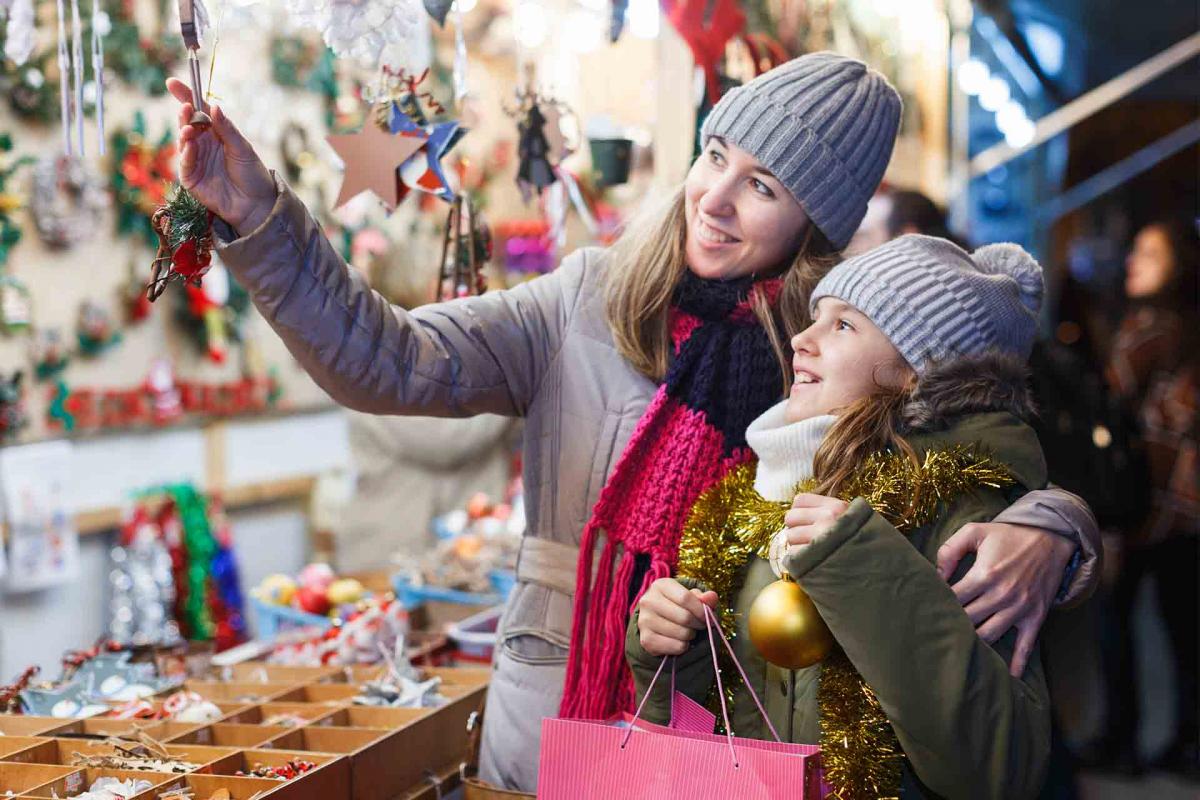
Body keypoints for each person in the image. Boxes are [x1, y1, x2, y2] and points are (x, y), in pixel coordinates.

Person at [163, 53, 1099, 791]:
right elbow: (390, 358)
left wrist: (1055, 520)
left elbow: (956, 455)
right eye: (715, 156)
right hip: (559, 703)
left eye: (764, 187)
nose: (715, 199)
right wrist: (262, 219)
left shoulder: (828, 355)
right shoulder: (587, 300)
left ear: (815, 222)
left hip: (737, 733)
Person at [628, 236, 1057, 798]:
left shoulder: (966, 514)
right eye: (814, 320)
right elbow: (698, 744)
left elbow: (1000, 770)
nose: (800, 340)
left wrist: (867, 568)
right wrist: (670, 652)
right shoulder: (757, 498)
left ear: (917, 371)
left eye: (844, 326)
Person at [1083, 219, 1199, 777]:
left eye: (1150, 253)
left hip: (1148, 505)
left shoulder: (1152, 327)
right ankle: (1184, 743)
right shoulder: (1184, 326)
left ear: (1179, 264)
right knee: (1182, 632)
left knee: (1118, 623)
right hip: (1181, 506)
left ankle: (1121, 740)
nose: (1133, 260)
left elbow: (1110, 391)